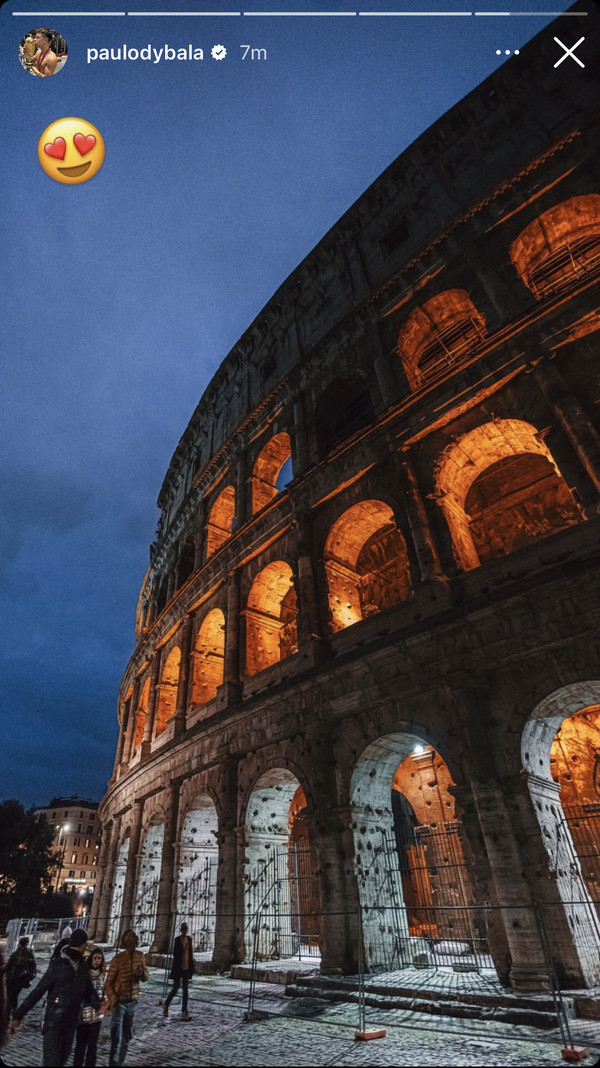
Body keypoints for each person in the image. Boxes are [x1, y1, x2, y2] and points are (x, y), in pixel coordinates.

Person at [10, 930, 105, 1067]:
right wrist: (18, 1014)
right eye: (85, 944)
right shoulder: (58, 964)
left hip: (71, 1022)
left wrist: (98, 1005)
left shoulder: (83, 966)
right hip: (55, 1022)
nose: (86, 947)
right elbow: (38, 991)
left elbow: (88, 990)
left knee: (62, 1060)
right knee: (51, 1062)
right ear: (81, 945)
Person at [104, 930, 148, 1067]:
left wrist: (142, 974)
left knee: (127, 1037)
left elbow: (146, 976)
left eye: (135, 938)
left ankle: (120, 1062)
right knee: (116, 1038)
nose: (136, 940)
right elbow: (108, 983)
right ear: (127, 941)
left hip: (132, 1001)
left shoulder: (140, 956)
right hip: (119, 1003)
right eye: (133, 938)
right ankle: (113, 1063)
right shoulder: (117, 960)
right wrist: (113, 1000)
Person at [73, 948, 106, 1067]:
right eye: (95, 958)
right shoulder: (84, 973)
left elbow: (104, 992)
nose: (97, 961)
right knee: (80, 1044)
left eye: (99, 958)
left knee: (92, 1045)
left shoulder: (103, 975)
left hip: (97, 1015)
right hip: (83, 1014)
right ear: (91, 959)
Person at [163, 922, 195, 1021]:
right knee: (175, 988)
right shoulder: (177, 940)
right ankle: (166, 1004)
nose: (185, 930)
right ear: (181, 930)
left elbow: (190, 954)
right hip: (178, 968)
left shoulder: (189, 939)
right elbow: (175, 954)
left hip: (186, 968)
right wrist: (183, 949)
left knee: (185, 990)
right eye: (183, 929)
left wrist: (191, 967)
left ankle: (184, 1011)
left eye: (186, 929)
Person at [4, 937, 36, 1018]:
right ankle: (15, 1013)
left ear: (19, 943)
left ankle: (8, 1016)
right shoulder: (30, 953)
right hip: (23, 979)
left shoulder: (15, 954)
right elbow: (33, 966)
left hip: (12, 978)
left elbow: (7, 967)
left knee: (10, 997)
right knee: (15, 996)